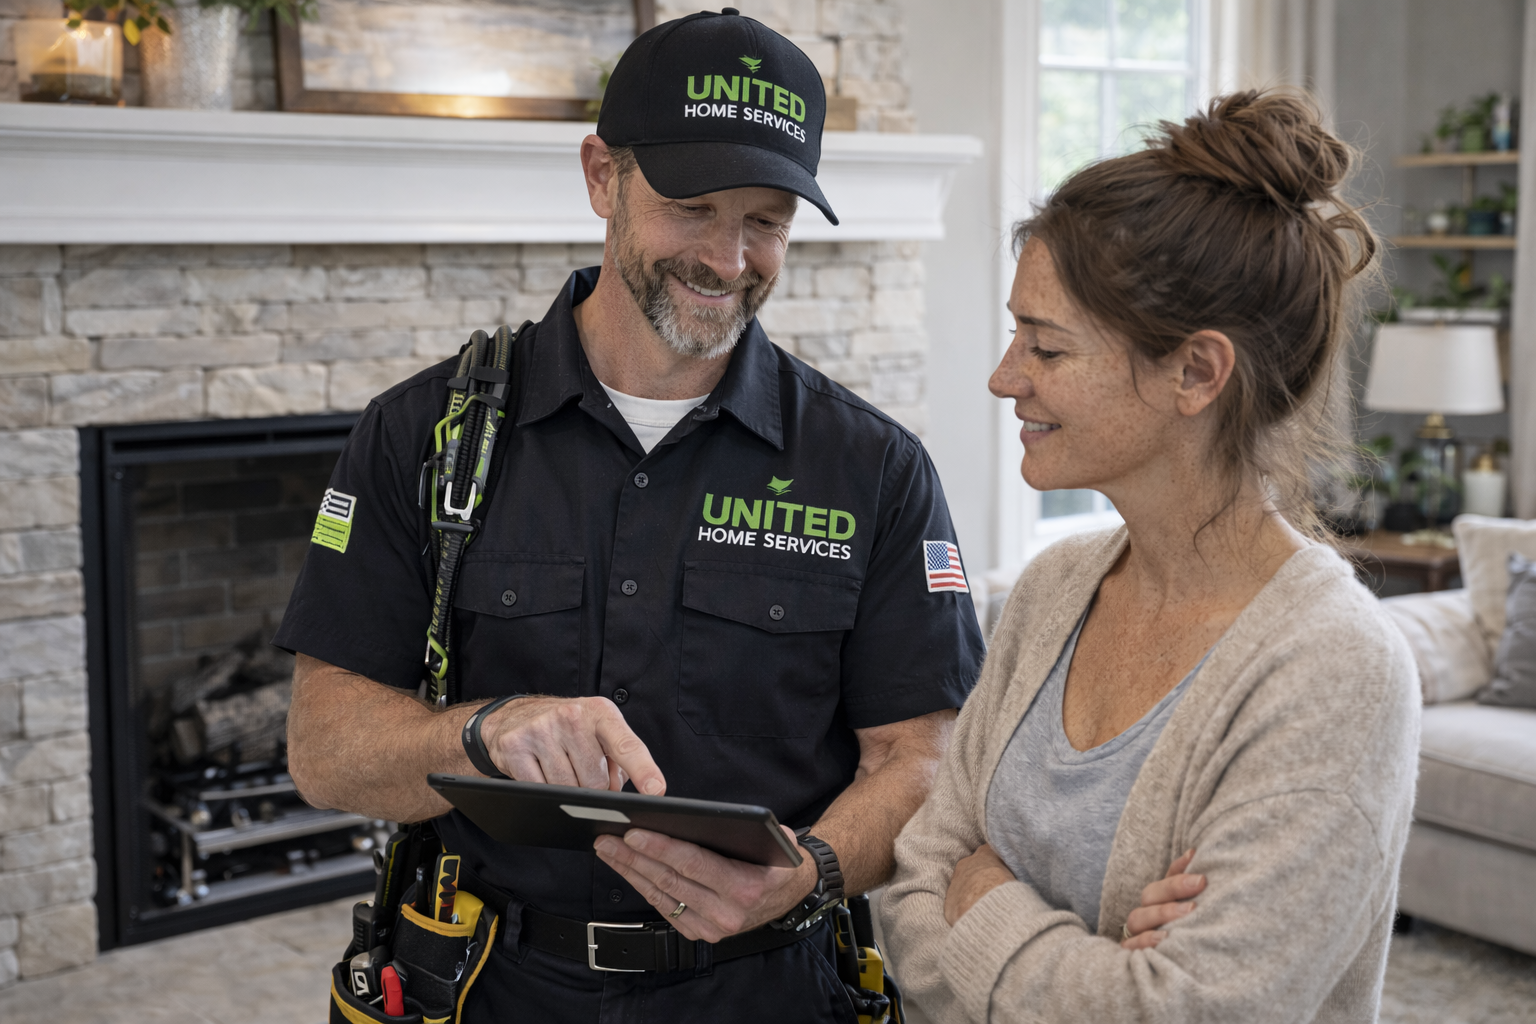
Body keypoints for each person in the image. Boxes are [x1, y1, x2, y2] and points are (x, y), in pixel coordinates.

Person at [275, 10, 989, 1023]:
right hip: (489, 986)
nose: (730, 259)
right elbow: (324, 748)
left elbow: (923, 762)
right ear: (602, 175)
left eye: (768, 221)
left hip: (768, 988)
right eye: (692, 207)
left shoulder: (875, 470)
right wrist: (482, 731)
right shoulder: (420, 436)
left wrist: (813, 870)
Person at [879, 90, 1421, 1023]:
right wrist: (1092, 955)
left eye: (1046, 346)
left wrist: (987, 903)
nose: (1006, 377)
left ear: (1197, 373)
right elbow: (907, 894)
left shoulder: (1336, 670)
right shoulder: (1053, 590)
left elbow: (1183, 1013)